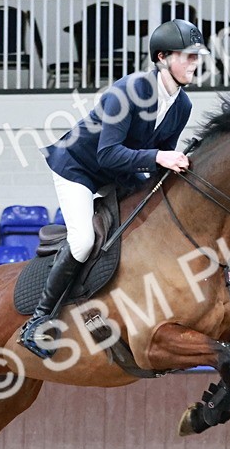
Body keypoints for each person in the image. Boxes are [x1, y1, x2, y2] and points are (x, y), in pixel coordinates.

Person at [19, 18, 211, 359]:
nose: (195, 64)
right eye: (188, 57)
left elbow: (155, 160)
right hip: (78, 167)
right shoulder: (128, 91)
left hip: (119, 172)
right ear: (163, 58)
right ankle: (38, 321)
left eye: (197, 57)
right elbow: (108, 152)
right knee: (83, 240)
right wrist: (160, 157)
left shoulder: (182, 105)